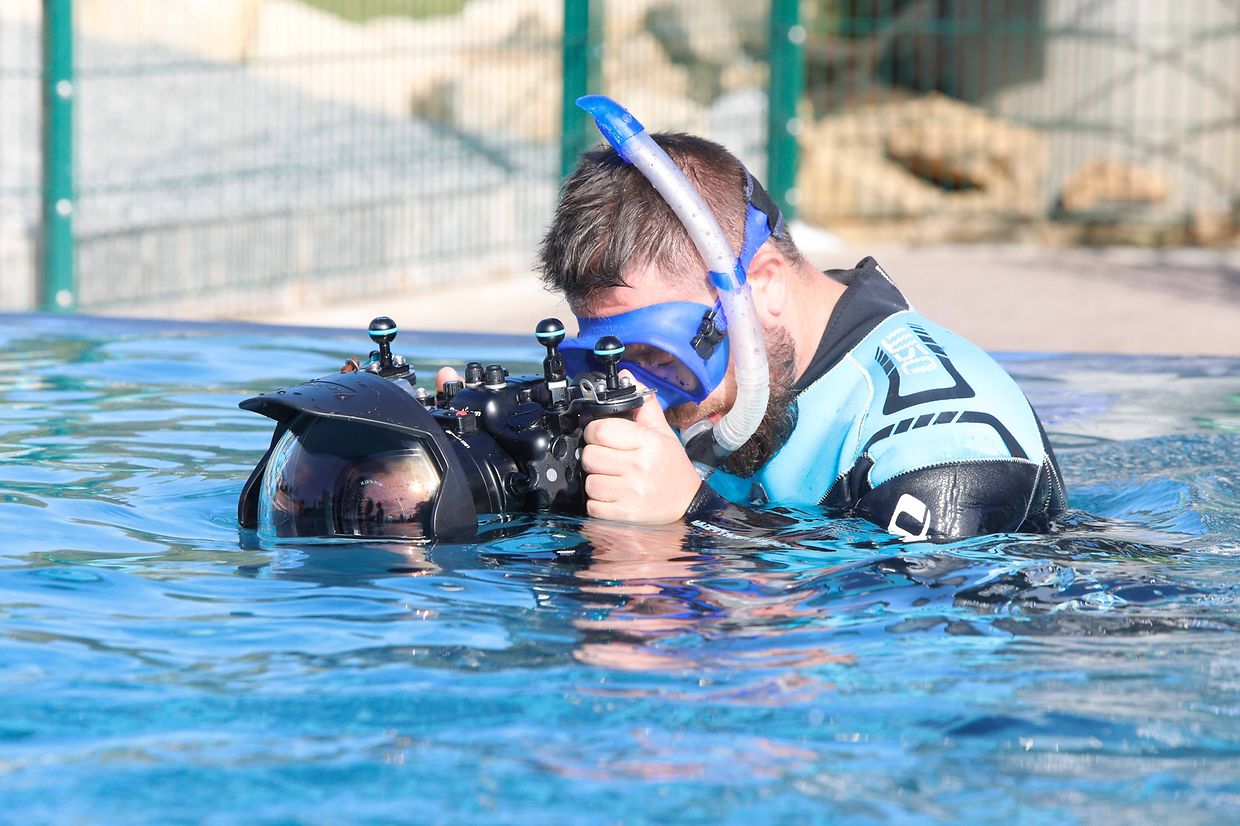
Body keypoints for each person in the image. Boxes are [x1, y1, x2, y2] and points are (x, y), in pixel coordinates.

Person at [526, 131, 1067, 542]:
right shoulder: (730, 387)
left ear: (762, 284)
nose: (645, 394)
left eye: (663, 355)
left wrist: (697, 514)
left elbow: (891, 642)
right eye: (607, 358)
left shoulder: (947, 450)